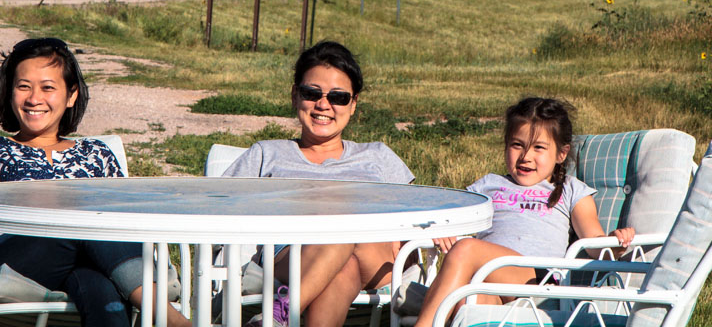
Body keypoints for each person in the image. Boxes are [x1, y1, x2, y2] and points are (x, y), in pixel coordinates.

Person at [0, 37, 188, 327]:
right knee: (82, 219)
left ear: (71, 95)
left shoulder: (96, 153)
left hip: (90, 265)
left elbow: (125, 221)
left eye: (48, 88)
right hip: (7, 265)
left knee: (98, 286)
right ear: (9, 91)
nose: (34, 99)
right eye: (23, 86)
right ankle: (175, 322)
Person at [223, 40, 414, 327]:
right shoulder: (266, 154)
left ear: (353, 104)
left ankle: (279, 314)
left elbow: (418, 210)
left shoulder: (378, 156)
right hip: (292, 254)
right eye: (312, 93)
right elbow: (217, 201)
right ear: (295, 96)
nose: (323, 104)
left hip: (372, 255)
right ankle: (282, 312)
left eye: (338, 97)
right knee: (342, 266)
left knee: (345, 228)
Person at [413, 97, 636, 327]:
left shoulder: (570, 189)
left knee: (466, 249)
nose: (525, 156)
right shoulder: (488, 185)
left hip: (539, 283)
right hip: (486, 280)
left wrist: (615, 244)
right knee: (468, 302)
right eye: (517, 145)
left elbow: (593, 242)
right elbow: (451, 216)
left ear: (561, 154)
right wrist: (444, 228)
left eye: (538, 147)